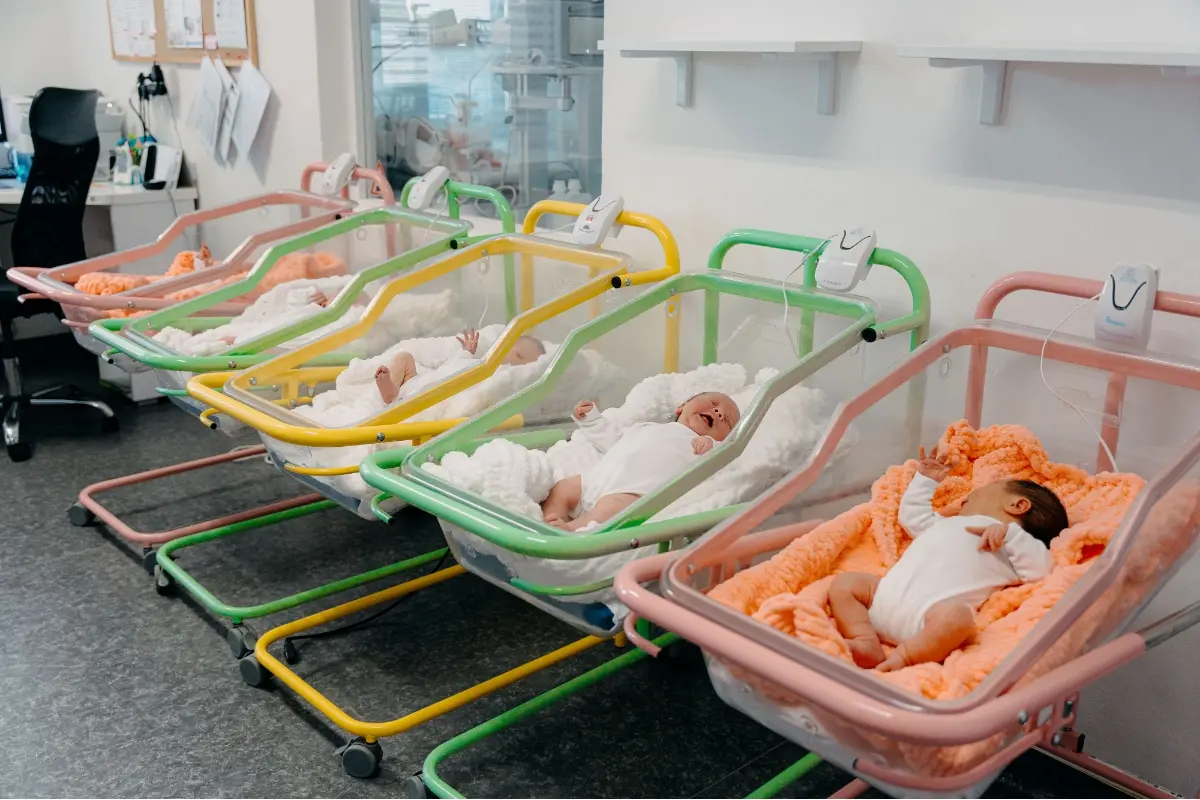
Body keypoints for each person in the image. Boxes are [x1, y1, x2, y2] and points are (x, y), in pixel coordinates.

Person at [829, 445, 1069, 672]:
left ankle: (906, 656)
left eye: (988, 487)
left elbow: (1041, 570)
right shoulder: (947, 523)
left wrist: (1010, 535)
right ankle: (864, 639)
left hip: (931, 618)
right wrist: (925, 480)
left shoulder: (1010, 546)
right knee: (845, 584)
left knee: (958, 618)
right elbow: (912, 518)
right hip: (883, 597)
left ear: (1017, 505)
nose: (966, 497)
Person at [540, 392, 742, 532]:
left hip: (633, 491)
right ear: (682, 407)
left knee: (612, 508)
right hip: (600, 479)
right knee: (564, 487)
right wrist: (591, 420)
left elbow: (722, 463)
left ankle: (571, 530)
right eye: (712, 402)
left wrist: (712, 444)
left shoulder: (702, 445)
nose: (719, 412)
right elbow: (615, 439)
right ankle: (551, 519)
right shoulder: (647, 427)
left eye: (727, 421)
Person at [373, 327, 545, 404]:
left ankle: (394, 395)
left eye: (519, 355)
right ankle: (391, 389)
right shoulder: (479, 360)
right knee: (404, 357)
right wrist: (467, 352)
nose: (508, 352)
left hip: (428, 393)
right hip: (418, 381)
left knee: (419, 385)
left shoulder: (501, 374)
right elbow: (455, 364)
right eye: (506, 345)